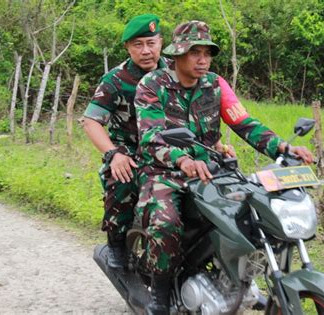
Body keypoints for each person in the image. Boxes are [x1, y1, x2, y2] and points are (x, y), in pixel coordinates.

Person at [134, 20, 314, 314]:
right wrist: (182, 159)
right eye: (195, 53)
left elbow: (244, 122)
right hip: (162, 171)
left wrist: (283, 147)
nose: (203, 60)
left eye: (207, 53)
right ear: (178, 54)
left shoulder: (215, 84)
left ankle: (236, 280)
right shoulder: (152, 85)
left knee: (250, 215)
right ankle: (161, 292)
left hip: (210, 168)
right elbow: (151, 137)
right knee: (166, 224)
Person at [82, 14, 170, 269]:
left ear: (161, 43)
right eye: (137, 44)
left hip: (168, 147)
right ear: (128, 48)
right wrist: (113, 154)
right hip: (129, 150)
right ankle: (117, 244)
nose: (146, 51)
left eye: (151, 43)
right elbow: (92, 121)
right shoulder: (115, 80)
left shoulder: (173, 72)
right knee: (122, 178)